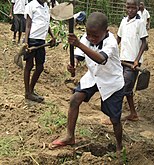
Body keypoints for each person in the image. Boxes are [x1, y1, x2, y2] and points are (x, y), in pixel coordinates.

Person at [49, 12, 125, 152]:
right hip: (93, 76)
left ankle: (119, 146)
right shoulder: (87, 37)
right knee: (75, 100)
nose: (91, 38)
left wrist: (78, 43)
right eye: (88, 34)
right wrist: (74, 63)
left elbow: (100, 59)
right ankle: (70, 136)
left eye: (95, 36)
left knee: (114, 119)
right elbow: (79, 55)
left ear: (106, 31)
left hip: (111, 82)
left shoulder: (111, 43)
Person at [117, 0, 148, 121]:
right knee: (127, 89)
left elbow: (144, 42)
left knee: (122, 88)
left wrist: (137, 60)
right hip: (122, 59)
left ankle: (115, 116)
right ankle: (133, 114)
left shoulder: (140, 23)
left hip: (133, 62)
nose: (130, 10)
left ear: (137, 8)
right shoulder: (124, 21)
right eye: (128, 7)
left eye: (133, 8)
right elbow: (118, 38)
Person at [23, 0, 56, 102]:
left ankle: (31, 90)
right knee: (29, 65)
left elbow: (46, 23)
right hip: (32, 39)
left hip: (41, 40)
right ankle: (27, 92)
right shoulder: (32, 5)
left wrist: (52, 36)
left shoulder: (46, 6)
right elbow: (28, 25)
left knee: (40, 67)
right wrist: (26, 41)